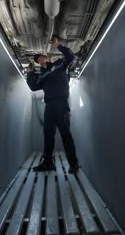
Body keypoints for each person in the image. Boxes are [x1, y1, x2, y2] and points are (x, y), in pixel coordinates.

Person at [27, 37, 80, 174]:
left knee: (65, 134)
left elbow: (71, 56)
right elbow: (33, 87)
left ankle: (73, 164)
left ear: (47, 57)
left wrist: (58, 46)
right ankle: (48, 163)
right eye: (37, 59)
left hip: (61, 104)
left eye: (41, 57)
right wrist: (31, 72)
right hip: (49, 106)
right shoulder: (42, 76)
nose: (39, 59)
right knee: (48, 134)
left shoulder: (59, 64)